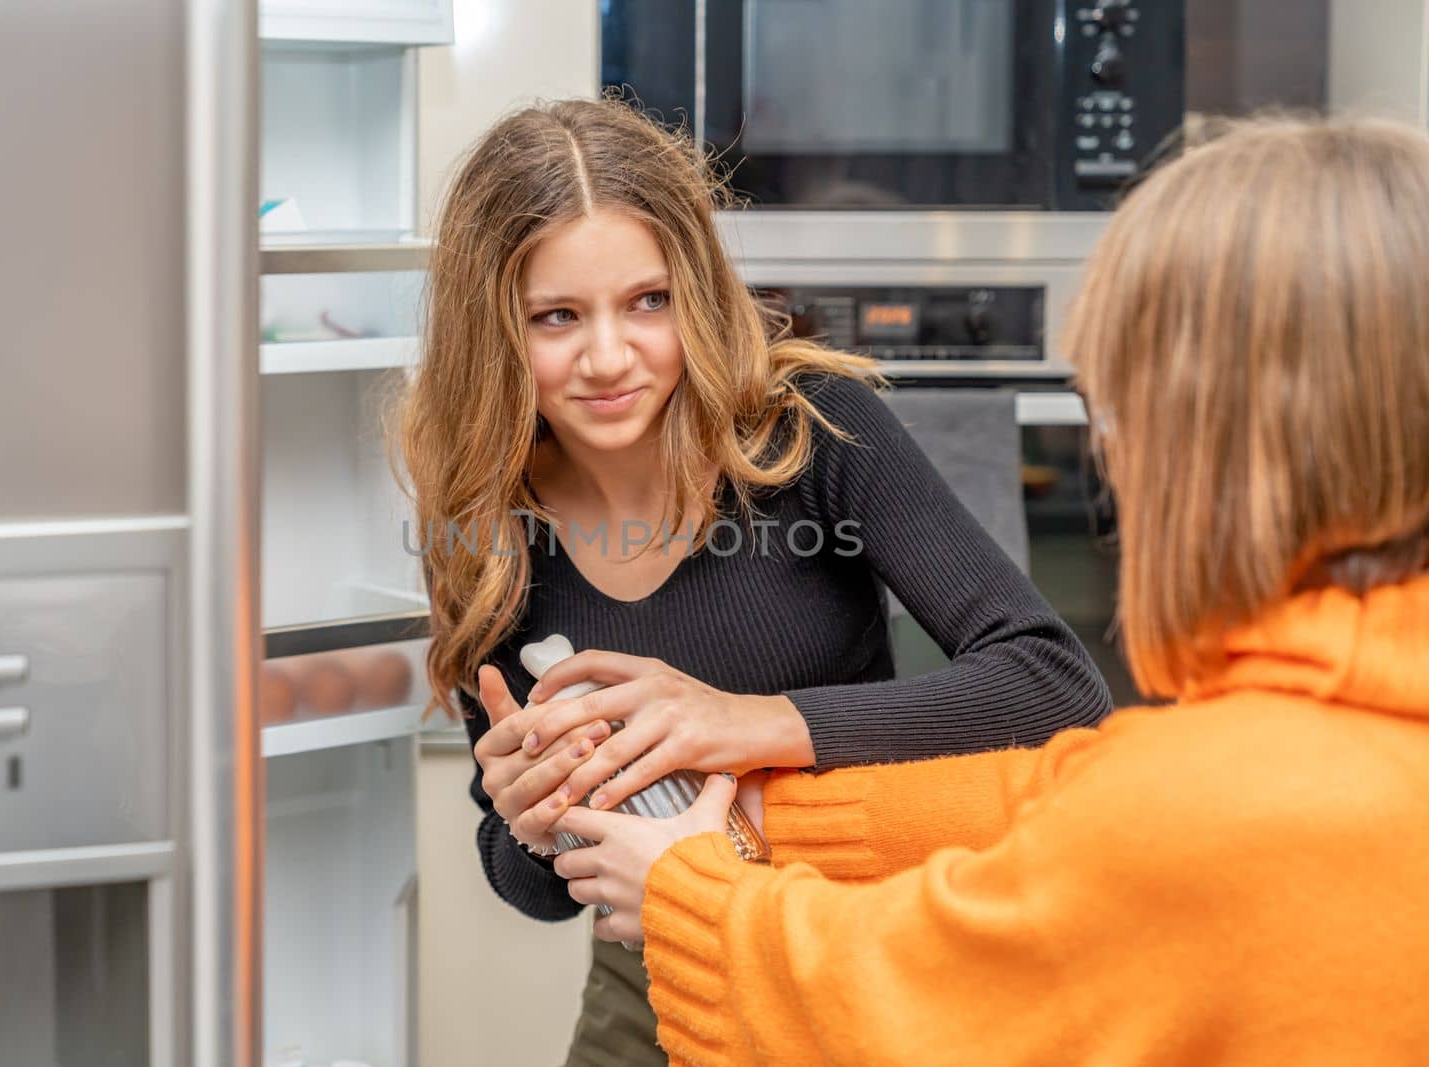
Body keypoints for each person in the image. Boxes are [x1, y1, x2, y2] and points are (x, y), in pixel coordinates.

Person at [548, 114, 1429, 1065]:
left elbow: (900, 1000)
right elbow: (1060, 789)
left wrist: (692, 890)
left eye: (1116, 411)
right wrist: (755, 815)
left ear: (1214, 452)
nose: (1111, 456)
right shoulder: (1328, 732)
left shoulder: (1200, 816)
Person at [396, 98, 1111, 1065]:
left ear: (694, 287)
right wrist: (531, 823)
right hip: (653, 980)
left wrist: (757, 720)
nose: (609, 357)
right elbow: (527, 887)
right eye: (556, 317)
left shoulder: (811, 433)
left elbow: (1053, 685)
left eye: (647, 301)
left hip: (851, 949)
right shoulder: (486, 516)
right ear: (495, 330)